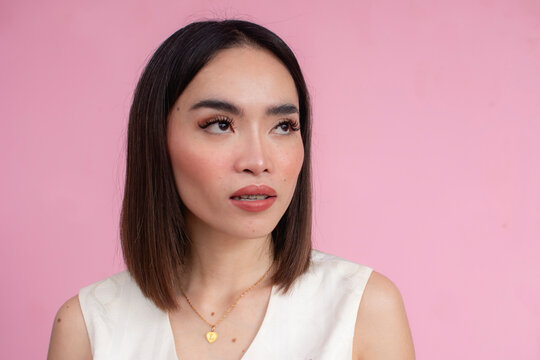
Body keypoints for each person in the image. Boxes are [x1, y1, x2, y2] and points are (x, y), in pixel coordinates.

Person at [47, 20, 415, 359]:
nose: (258, 160)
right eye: (220, 124)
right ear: (157, 139)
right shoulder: (88, 326)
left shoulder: (363, 310)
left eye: (284, 126)